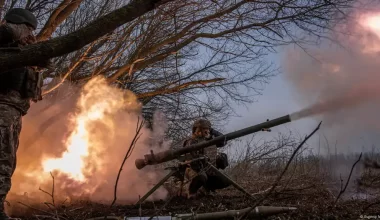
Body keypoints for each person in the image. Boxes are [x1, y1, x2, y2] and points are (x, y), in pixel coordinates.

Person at [0, 8, 48, 219]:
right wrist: (15, 30)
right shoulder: (5, 39)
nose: (30, 35)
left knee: (7, 162)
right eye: (27, 29)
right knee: (2, 160)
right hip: (3, 108)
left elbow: (47, 61)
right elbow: (5, 33)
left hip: (14, 111)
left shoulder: (25, 51)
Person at [178, 118, 231, 199]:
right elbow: (192, 161)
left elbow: (223, 140)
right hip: (194, 170)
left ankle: (206, 190)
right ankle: (191, 192)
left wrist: (213, 131)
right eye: (203, 129)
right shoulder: (191, 141)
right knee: (201, 177)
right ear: (197, 130)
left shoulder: (211, 140)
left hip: (209, 169)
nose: (206, 131)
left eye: (207, 129)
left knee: (226, 180)